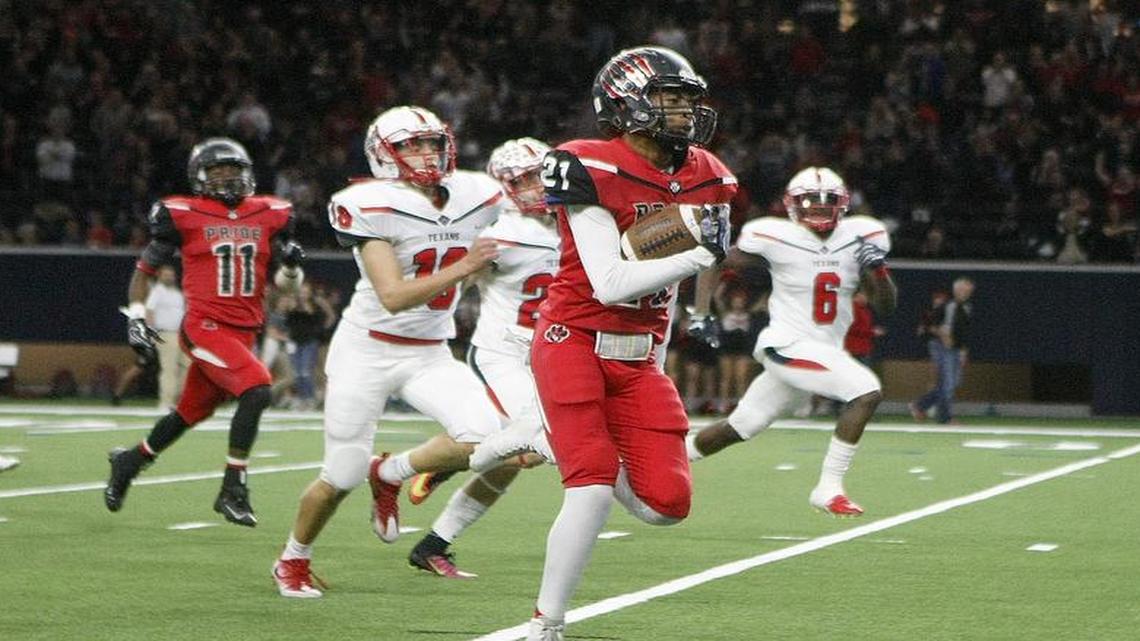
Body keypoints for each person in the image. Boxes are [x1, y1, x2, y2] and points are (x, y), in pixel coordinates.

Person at [521, 47, 735, 641]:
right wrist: (697, 250)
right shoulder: (586, 163)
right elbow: (609, 282)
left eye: (689, 99)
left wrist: (697, 304)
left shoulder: (706, 173)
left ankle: (551, 439)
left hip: (638, 356)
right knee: (589, 491)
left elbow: (705, 249)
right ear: (624, 102)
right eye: (670, 97)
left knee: (667, 507)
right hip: (575, 337)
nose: (685, 112)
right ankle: (548, 623)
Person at [272, 106, 505, 598]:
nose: (425, 154)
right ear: (384, 155)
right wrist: (466, 266)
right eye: (410, 146)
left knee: (489, 437)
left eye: (431, 143)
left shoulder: (478, 193)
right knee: (341, 473)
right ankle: (292, 559)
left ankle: (392, 471)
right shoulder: (369, 203)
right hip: (367, 351)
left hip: (430, 352)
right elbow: (394, 296)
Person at [104, 137, 306, 528]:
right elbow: (142, 274)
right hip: (205, 327)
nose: (228, 179)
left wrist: (294, 268)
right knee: (258, 388)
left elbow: (285, 286)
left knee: (189, 412)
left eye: (234, 171)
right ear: (200, 177)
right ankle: (233, 488)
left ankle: (129, 461)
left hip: (244, 330)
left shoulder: (270, 213)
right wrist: (136, 319)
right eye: (218, 172)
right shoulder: (183, 213)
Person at [686, 167, 897, 518]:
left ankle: (665, 458)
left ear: (843, 204)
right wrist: (701, 313)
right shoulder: (773, 235)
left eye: (828, 200)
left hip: (824, 350)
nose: (818, 206)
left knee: (740, 427)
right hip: (786, 344)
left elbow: (885, 306)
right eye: (810, 200)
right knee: (866, 391)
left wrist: (878, 271)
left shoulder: (862, 235)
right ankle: (828, 488)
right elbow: (715, 257)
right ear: (791, 205)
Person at [405, 137, 560, 579]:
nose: (535, 186)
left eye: (539, 174)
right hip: (502, 353)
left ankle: (434, 542)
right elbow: (453, 286)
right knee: (534, 447)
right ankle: (410, 466)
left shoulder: (577, 222)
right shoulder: (498, 233)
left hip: (550, 357)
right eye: (523, 179)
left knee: (517, 460)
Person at [910, 277, 974, 424]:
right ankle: (945, 418)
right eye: (964, 290)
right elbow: (928, 324)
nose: (967, 293)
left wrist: (963, 350)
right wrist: (942, 334)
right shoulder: (948, 306)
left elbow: (964, 332)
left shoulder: (967, 307)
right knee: (948, 383)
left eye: (969, 291)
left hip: (956, 349)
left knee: (953, 382)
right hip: (942, 347)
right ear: (956, 290)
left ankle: (920, 405)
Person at [147, 263, 188, 409]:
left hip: (180, 335)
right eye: (166, 275)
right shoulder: (157, 291)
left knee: (188, 367)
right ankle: (166, 402)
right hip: (165, 333)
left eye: (171, 275)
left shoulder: (177, 293)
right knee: (169, 368)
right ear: (159, 276)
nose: (169, 277)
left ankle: (178, 400)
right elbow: (149, 311)